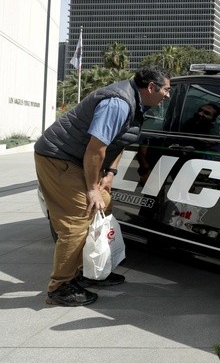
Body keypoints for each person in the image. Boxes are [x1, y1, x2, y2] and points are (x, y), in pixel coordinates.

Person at [34, 66, 171, 306]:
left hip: (80, 160)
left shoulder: (137, 103)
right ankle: (61, 287)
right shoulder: (118, 103)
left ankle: (90, 270)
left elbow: (119, 141)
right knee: (77, 220)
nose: (167, 95)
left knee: (103, 205)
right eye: (166, 90)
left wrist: (110, 174)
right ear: (151, 87)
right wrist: (91, 188)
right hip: (60, 158)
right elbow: (96, 148)